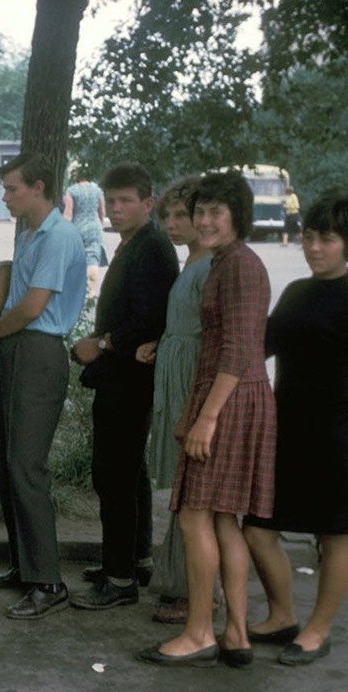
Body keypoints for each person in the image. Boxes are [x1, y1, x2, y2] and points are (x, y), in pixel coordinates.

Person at [243, 191, 348, 666]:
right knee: (257, 529)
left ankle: (318, 629)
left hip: (338, 435)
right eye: (309, 237)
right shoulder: (296, 293)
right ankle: (282, 615)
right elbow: (259, 348)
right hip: (284, 429)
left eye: (326, 239)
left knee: (334, 538)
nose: (313, 248)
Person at [137, 171, 276, 667]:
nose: (205, 220)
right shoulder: (227, 262)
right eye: (201, 211)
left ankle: (199, 631)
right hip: (234, 396)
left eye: (216, 211)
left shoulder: (237, 266)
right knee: (222, 520)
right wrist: (192, 413)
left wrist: (205, 418)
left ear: (238, 215)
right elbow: (218, 349)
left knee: (196, 514)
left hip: (232, 400)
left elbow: (236, 351)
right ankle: (235, 632)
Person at [0, 152, 88, 619]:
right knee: (6, 460)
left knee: (26, 465)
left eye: (13, 189)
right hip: (15, 347)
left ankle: (48, 581)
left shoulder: (59, 236)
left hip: (38, 350)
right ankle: (25, 566)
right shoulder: (28, 234)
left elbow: (32, 308)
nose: (5, 197)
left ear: (40, 187)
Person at [69, 162, 178, 611]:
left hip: (129, 376)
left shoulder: (152, 247)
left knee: (112, 473)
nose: (114, 209)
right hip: (123, 373)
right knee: (128, 473)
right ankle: (134, 559)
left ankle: (119, 578)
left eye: (124, 201)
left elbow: (150, 317)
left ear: (147, 204)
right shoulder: (138, 243)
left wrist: (103, 343)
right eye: (109, 202)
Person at [138, 175, 212, 625]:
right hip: (175, 372)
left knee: (194, 491)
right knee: (184, 492)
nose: (172, 224)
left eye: (182, 215)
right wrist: (162, 344)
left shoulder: (208, 266)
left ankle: (195, 591)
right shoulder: (192, 263)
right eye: (168, 216)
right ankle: (186, 585)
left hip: (192, 384)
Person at [62, 165, 106, 295]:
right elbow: (102, 212)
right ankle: (91, 292)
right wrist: (99, 225)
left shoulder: (72, 190)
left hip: (78, 227)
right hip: (94, 226)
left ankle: (77, 290)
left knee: (77, 258)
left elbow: (68, 213)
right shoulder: (97, 189)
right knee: (93, 257)